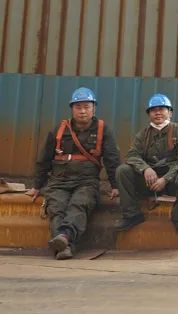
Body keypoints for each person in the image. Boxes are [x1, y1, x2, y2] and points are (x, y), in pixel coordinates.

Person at [27, 87, 121, 259]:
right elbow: (44, 158)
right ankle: (65, 246)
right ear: (72, 109)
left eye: (86, 107)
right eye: (78, 107)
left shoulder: (103, 129)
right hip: (58, 181)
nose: (82, 111)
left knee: (79, 204)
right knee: (56, 208)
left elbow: (112, 159)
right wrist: (37, 186)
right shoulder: (59, 129)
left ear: (94, 108)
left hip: (86, 181)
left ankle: (64, 238)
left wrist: (115, 185)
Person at [114, 93, 178, 234]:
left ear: (170, 112)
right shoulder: (143, 135)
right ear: (149, 114)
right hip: (149, 182)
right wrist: (145, 169)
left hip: (172, 182)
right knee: (123, 171)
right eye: (153, 110)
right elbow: (132, 155)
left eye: (162, 109)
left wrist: (165, 179)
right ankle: (132, 215)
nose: (157, 113)